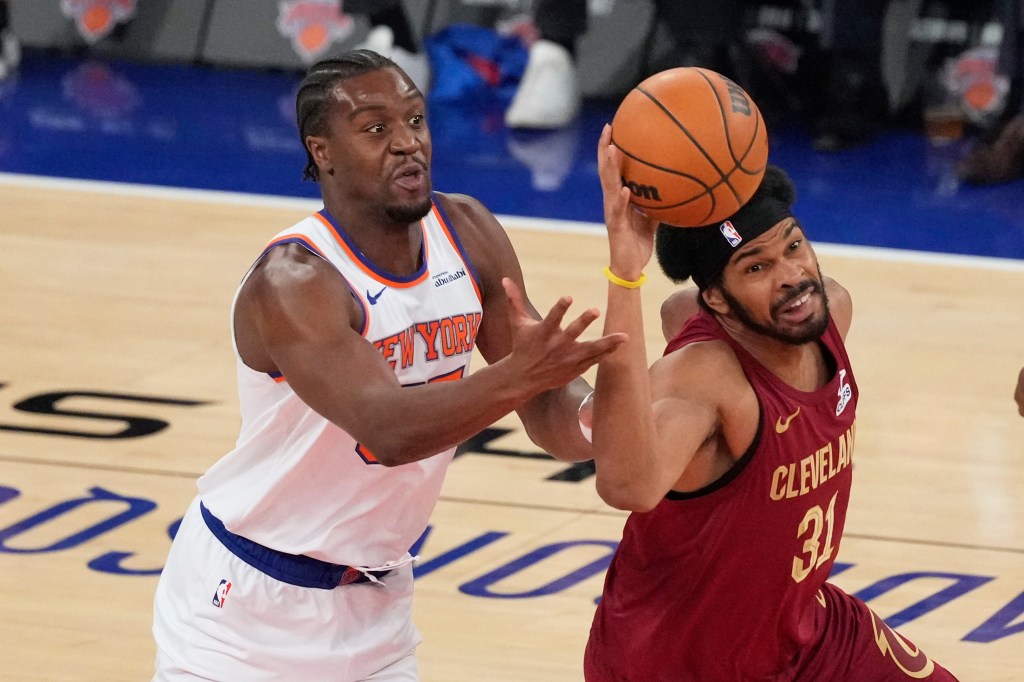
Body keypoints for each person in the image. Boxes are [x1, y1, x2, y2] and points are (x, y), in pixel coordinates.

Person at [151, 50, 625, 681]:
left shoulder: (470, 232)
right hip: (247, 610)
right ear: (322, 152)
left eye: (416, 120)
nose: (408, 143)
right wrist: (521, 375)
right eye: (376, 129)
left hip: (378, 607)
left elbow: (549, 414)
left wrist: (611, 422)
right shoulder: (294, 281)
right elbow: (391, 430)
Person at [578, 125, 961, 680]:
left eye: (794, 246)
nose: (792, 278)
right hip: (676, 661)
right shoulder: (704, 380)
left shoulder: (830, 313)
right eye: (757, 267)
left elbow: (678, 309)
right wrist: (626, 275)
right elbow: (627, 486)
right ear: (719, 300)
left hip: (805, 634)